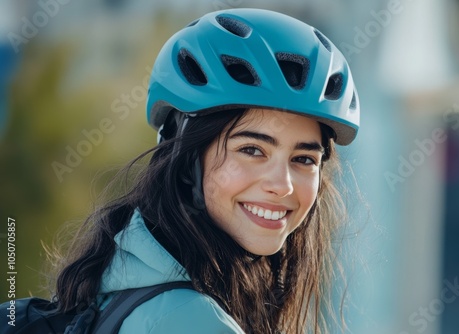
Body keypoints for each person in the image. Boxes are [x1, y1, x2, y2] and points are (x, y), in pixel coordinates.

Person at [51, 8, 360, 334]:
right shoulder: (190, 322)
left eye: (304, 159)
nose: (282, 185)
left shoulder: (120, 290)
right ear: (185, 158)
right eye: (252, 150)